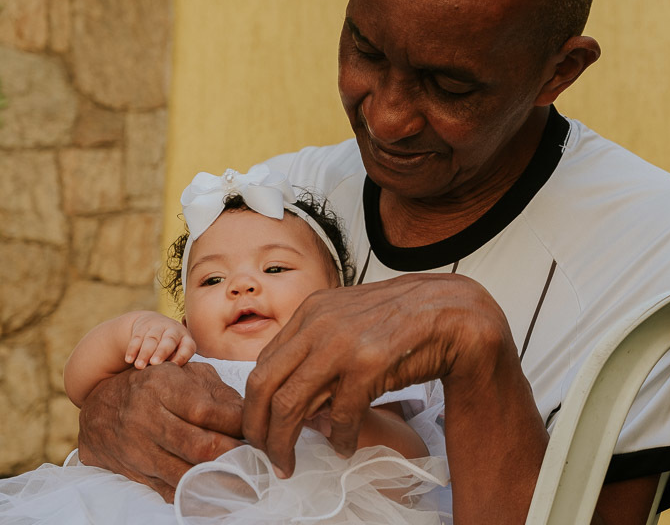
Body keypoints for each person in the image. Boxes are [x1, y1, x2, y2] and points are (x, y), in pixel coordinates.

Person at [76, 0, 670, 524]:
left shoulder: (656, 237)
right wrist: (115, 409)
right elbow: (168, 387)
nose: (389, 117)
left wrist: (470, 338)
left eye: (449, 86)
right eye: (365, 50)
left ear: (558, 70)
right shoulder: (281, 201)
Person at [0, 165, 449, 524]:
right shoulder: (184, 359)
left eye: (275, 269)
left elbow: (410, 468)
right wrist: (133, 329)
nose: (241, 285)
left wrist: (344, 415)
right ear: (186, 320)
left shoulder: (354, 360)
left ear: (338, 301)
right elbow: (79, 384)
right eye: (213, 279)